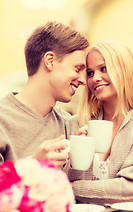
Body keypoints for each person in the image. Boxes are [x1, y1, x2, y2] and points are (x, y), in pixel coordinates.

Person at [65, 40, 133, 204]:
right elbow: (58, 179)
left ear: (125, 71)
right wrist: (75, 158)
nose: (95, 78)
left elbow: (132, 187)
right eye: (90, 73)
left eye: (104, 69)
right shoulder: (74, 124)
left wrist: (71, 189)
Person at [0, 21, 89, 167]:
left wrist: (77, 159)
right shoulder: (3, 119)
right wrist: (34, 164)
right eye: (78, 69)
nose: (83, 80)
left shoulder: (69, 124)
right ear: (50, 61)